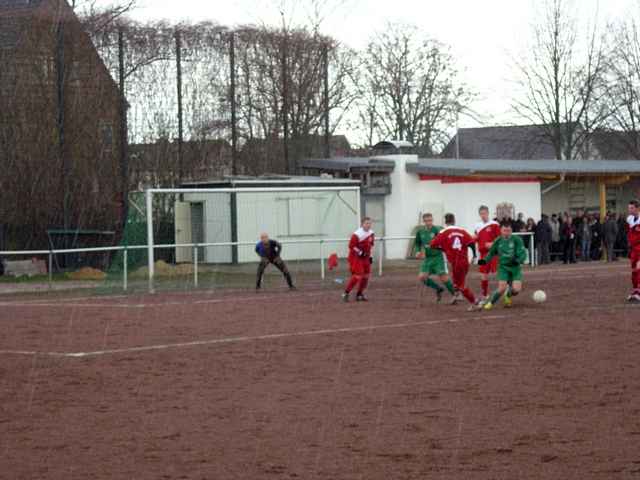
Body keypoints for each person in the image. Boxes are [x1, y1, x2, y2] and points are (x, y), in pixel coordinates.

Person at [430, 213, 479, 311]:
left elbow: (432, 245)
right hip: (465, 261)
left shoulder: (443, 232)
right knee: (457, 283)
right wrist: (474, 255)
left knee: (461, 285)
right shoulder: (462, 230)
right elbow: (472, 243)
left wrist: (443, 249)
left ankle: (475, 302)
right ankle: (456, 295)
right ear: (454, 220)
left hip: (456, 262)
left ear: (445, 221)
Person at [479, 221, 528, 310]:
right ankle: (490, 303)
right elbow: (491, 253)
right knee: (502, 287)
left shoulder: (517, 240)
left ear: (511, 230)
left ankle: (508, 295)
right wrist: (483, 261)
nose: (507, 233)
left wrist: (518, 260)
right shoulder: (498, 241)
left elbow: (522, 254)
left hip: (515, 268)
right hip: (503, 267)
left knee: (516, 290)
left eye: (509, 231)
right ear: (501, 231)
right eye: (505, 231)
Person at [413, 213, 456, 303]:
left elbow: (446, 238)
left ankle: (455, 294)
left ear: (432, 220)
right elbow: (417, 243)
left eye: (430, 220)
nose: (429, 222)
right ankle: (438, 289)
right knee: (422, 277)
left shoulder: (438, 229)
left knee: (443, 277)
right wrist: (417, 251)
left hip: (438, 257)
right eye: (427, 221)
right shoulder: (420, 232)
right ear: (423, 221)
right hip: (428, 258)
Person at [342, 217, 375, 302]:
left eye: (369, 223)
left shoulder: (371, 233)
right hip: (356, 257)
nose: (368, 225)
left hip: (366, 257)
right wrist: (360, 252)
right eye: (366, 223)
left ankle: (359, 294)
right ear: (362, 224)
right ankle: (346, 293)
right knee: (357, 275)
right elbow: (351, 246)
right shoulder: (357, 234)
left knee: (366, 276)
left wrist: (371, 256)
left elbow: (371, 246)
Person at [474, 205, 501, 300]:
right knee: (483, 274)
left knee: (500, 274)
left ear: (488, 213)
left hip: (494, 254)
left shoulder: (495, 224)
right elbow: (476, 237)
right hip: (482, 255)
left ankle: (505, 291)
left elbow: (500, 239)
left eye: (484, 213)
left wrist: (492, 244)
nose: (483, 215)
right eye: (481, 214)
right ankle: (485, 295)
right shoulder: (477, 225)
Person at [626, 200, 640, 303]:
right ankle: (635, 291)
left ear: (637, 208)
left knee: (639, 269)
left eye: (631, 208)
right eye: (629, 207)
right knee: (634, 271)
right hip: (633, 249)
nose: (629, 209)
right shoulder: (629, 219)